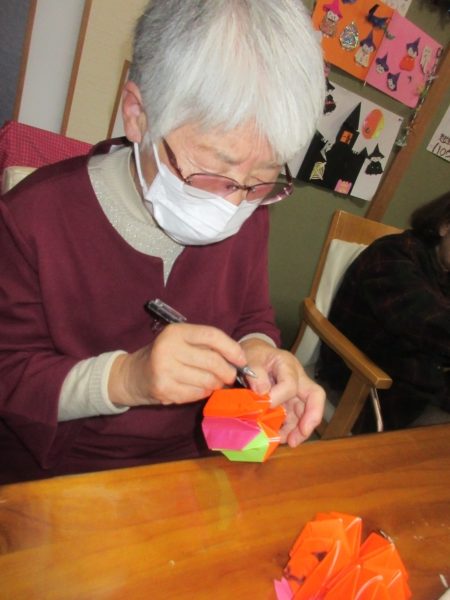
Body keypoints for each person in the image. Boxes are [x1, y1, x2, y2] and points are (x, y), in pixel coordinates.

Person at [0, 0, 326, 483]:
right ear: (138, 115)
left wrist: (260, 353)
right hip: (63, 473)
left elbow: (251, 316)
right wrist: (126, 379)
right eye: (213, 172)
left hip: (194, 457)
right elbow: (9, 373)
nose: (233, 204)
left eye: (262, 179)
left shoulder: (250, 212)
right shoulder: (32, 217)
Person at [319, 193, 450, 431]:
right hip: (366, 387)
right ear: (444, 225)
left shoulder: (444, 270)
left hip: (423, 387)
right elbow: (426, 320)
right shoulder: (394, 253)